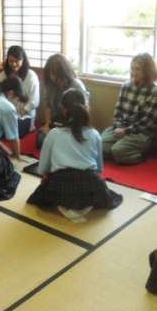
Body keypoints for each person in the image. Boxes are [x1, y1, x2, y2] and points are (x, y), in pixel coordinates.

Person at [27, 89, 122, 220]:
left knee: (42, 195)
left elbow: (42, 168)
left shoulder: (54, 134)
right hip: (90, 184)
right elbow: (99, 169)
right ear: (85, 107)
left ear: (64, 109)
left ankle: (65, 205)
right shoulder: (94, 134)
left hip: (59, 185)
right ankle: (84, 204)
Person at [101, 53, 157, 165]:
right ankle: (118, 151)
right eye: (132, 68)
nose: (133, 72)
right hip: (121, 128)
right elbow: (118, 111)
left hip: (141, 132)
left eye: (138, 69)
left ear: (147, 72)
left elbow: (147, 122)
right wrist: (118, 126)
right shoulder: (126, 86)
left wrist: (126, 130)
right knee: (99, 145)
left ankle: (142, 154)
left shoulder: (154, 92)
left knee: (117, 151)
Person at [37, 53, 89, 148]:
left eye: (55, 74)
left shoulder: (77, 85)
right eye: (51, 74)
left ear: (64, 72)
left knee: (68, 141)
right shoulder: (50, 84)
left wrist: (70, 129)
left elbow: (83, 112)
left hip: (73, 124)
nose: (53, 77)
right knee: (40, 139)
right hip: (56, 122)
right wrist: (47, 125)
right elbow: (48, 106)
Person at [0, 45, 40, 137]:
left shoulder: (31, 76)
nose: (13, 64)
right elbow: (0, 98)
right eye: (11, 61)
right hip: (7, 114)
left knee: (11, 131)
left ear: (23, 60)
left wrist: (22, 112)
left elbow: (34, 101)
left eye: (17, 61)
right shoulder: (2, 75)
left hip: (24, 116)